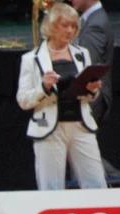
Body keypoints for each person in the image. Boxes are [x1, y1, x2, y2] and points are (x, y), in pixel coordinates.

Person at [16, 3, 107, 190]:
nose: (70, 31)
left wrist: (92, 89)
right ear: (51, 26)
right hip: (49, 128)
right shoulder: (31, 59)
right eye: (65, 25)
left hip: (81, 126)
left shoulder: (82, 54)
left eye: (74, 26)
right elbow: (23, 100)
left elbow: (90, 98)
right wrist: (44, 87)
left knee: (97, 185)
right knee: (51, 188)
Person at [72, 0, 117, 178]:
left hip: (91, 97)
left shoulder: (95, 26)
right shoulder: (93, 19)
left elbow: (88, 69)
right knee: (80, 154)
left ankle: (113, 180)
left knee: (82, 153)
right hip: (90, 95)